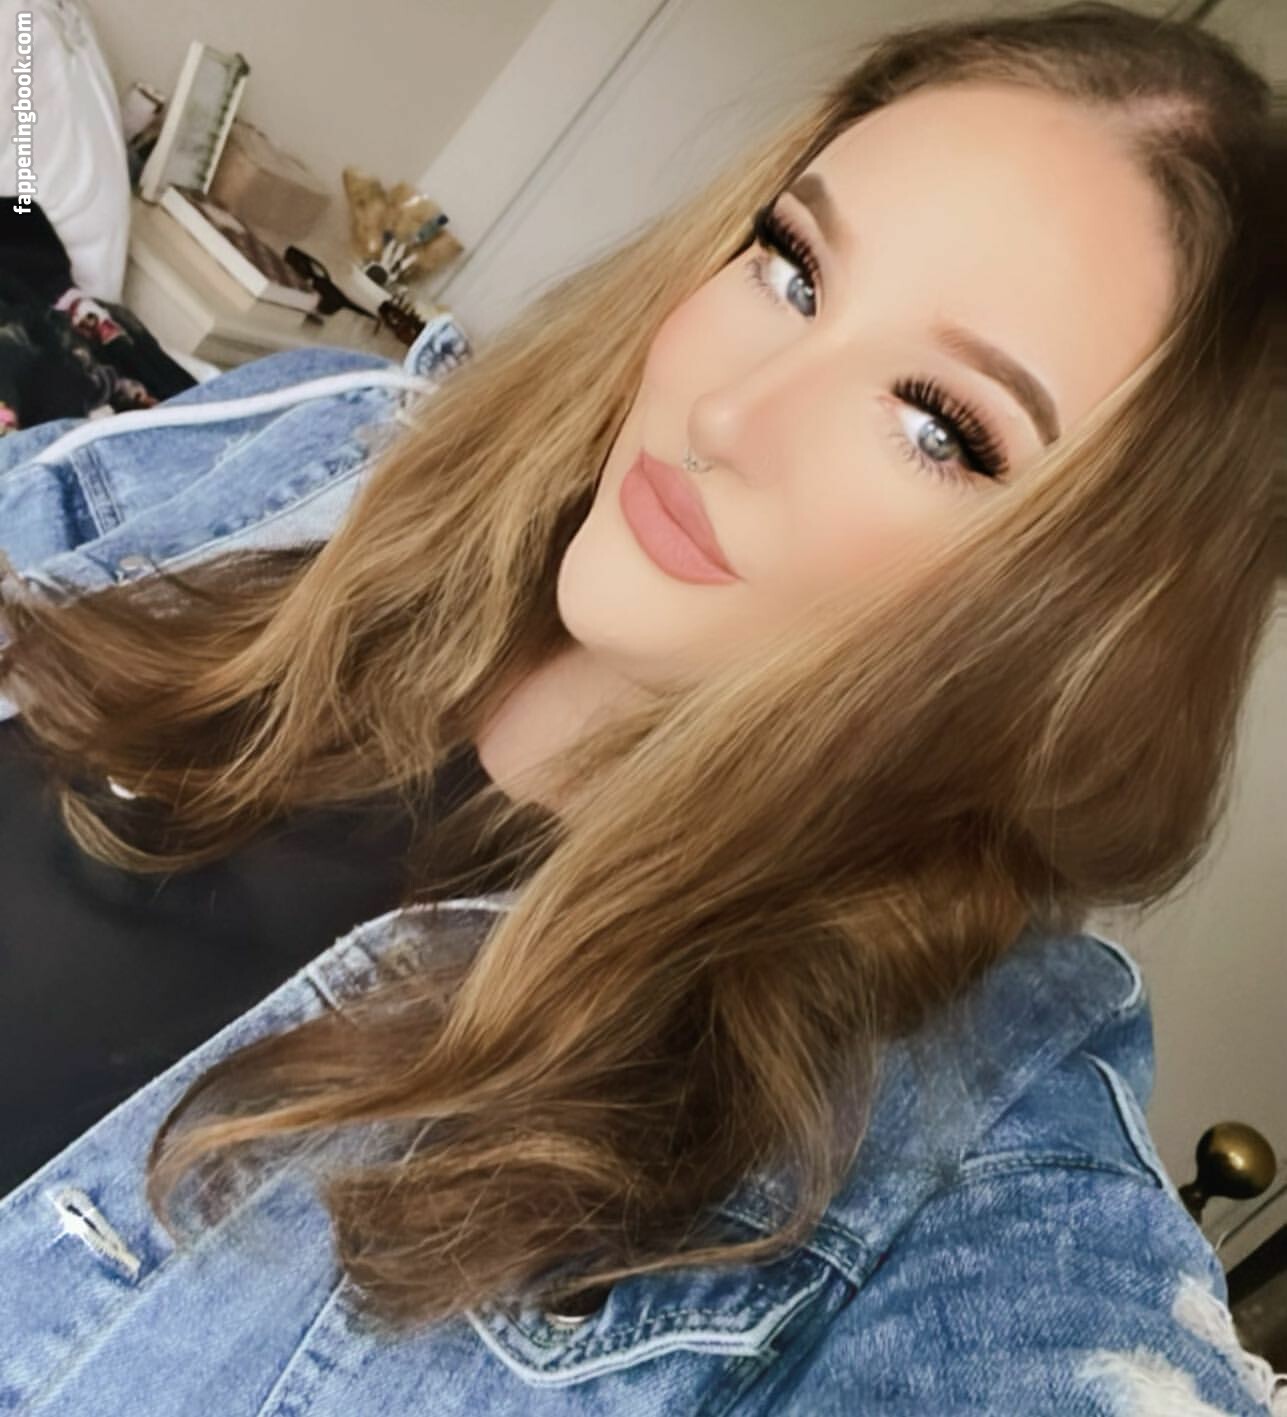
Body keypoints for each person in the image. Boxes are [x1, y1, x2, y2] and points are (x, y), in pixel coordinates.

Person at [1, 3, 1285, 1412]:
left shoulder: (948, 1165)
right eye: (793, 268)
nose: (728, 412)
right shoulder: (335, 444)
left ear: (1098, 631)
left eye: (941, 426)